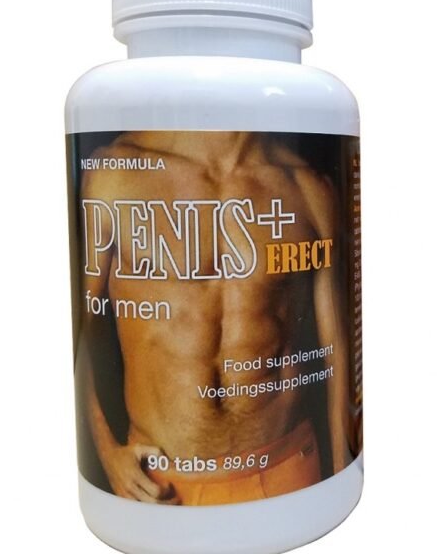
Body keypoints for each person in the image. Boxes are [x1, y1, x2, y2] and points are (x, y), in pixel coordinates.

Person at [79, 131, 351, 505]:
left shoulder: (307, 188)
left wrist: (342, 477)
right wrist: (107, 451)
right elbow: (79, 327)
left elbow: (337, 350)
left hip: (287, 465)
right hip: (160, 482)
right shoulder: (116, 173)